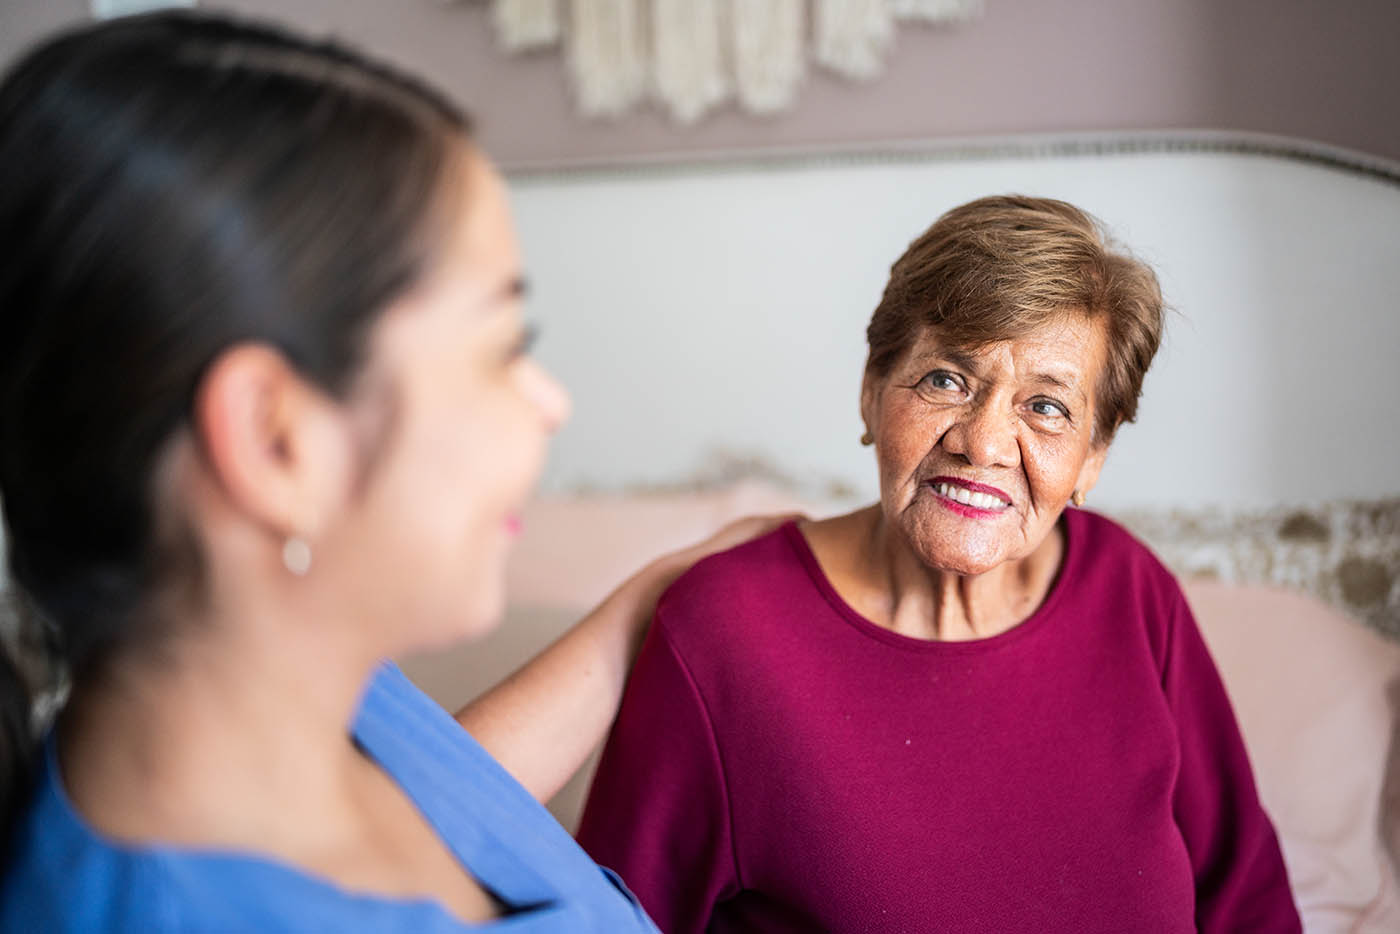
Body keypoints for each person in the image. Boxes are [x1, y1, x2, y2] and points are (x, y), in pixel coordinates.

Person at [0, 12, 784, 931]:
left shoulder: (288, 687)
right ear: (275, 441)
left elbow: (453, 807)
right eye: (502, 350)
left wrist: (644, 608)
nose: (548, 401)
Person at [577, 195, 1303, 932]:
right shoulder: (724, 631)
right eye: (947, 380)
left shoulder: (1130, 589)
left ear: (1094, 457)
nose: (984, 443)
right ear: (871, 393)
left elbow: (1247, 903)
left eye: (1046, 407)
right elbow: (596, 918)